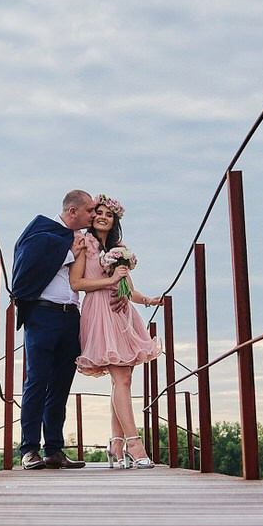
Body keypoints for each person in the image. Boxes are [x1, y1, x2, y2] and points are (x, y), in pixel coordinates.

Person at [71, 194, 163, 467]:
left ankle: (116, 443)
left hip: (122, 314)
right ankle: (134, 444)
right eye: (98, 212)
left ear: (114, 220)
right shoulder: (83, 243)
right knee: (121, 378)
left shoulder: (119, 248)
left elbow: (128, 288)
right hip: (99, 311)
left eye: (108, 214)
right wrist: (109, 280)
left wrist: (147, 300)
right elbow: (76, 282)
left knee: (122, 380)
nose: (102, 217)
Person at [8, 189, 95, 469]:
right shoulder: (41, 232)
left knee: (61, 384)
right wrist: (69, 253)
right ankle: (29, 449)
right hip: (43, 315)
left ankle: (54, 449)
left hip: (71, 317)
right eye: (89, 211)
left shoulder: (82, 239)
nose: (93, 215)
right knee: (37, 381)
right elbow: (29, 265)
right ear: (73, 212)